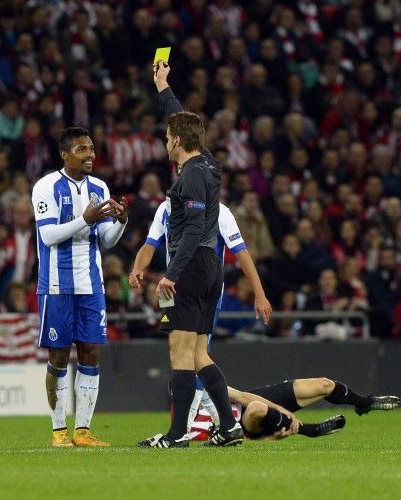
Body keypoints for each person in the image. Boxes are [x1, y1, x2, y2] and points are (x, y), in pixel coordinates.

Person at [137, 61, 246, 448]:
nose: (165, 141)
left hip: (193, 265)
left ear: (178, 142)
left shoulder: (192, 176)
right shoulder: (208, 163)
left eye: (168, 137)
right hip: (208, 267)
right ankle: (230, 426)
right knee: (200, 353)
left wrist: (171, 274)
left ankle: (177, 433)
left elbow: (197, 229)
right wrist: (165, 88)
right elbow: (182, 122)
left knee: (180, 351)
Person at [129, 199, 273, 426]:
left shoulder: (219, 211)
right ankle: (224, 422)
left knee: (194, 355)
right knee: (185, 355)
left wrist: (260, 293)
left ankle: (188, 426)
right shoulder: (166, 208)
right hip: (173, 290)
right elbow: (150, 244)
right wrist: (138, 266)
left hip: (205, 293)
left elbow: (241, 252)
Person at [31, 127, 128, 448]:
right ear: (65, 153)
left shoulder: (99, 187)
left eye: (92, 149)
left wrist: (120, 223)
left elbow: (106, 240)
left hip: (91, 283)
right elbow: (48, 236)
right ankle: (59, 431)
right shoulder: (45, 187)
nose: (90, 155)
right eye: (82, 149)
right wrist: (85, 219)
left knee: (90, 352)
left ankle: (83, 431)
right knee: (59, 356)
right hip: (57, 285)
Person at [190, 377, 400, 441]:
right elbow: (230, 439)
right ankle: (307, 430)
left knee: (324, 385)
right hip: (247, 425)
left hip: (254, 402)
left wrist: (282, 409)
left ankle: (364, 403)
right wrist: (269, 438)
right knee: (256, 408)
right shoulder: (190, 430)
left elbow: (242, 396)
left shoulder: (203, 385)